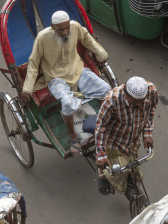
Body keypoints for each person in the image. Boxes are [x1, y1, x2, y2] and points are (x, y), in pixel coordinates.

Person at [21, 10, 111, 156]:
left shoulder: (75, 27)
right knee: (67, 104)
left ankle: (101, 122)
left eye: (66, 27)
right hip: (56, 79)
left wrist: (102, 54)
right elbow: (33, 63)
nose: (65, 32)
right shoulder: (42, 38)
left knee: (106, 89)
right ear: (52, 27)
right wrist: (27, 89)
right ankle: (73, 136)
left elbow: (88, 39)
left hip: (77, 70)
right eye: (61, 29)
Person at [95, 77, 156, 206]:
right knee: (118, 174)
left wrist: (147, 134)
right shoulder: (112, 100)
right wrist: (101, 155)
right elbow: (100, 128)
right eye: (135, 103)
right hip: (114, 142)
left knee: (132, 168)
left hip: (133, 140)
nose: (140, 105)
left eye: (142, 101)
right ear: (126, 95)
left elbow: (151, 111)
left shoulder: (151, 91)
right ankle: (102, 172)